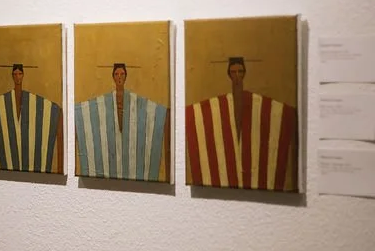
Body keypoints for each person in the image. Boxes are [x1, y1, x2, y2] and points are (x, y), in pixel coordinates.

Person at [186, 57, 297, 191]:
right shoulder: (220, 106)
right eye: (233, 72)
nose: (237, 76)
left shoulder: (257, 104)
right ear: (229, 74)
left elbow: (283, 114)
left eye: (240, 72)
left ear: (244, 73)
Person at [74, 63, 170, 182]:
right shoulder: (105, 101)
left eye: (122, 74)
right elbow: (88, 109)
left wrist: (164, 112)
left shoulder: (134, 100)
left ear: (126, 77)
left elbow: (152, 110)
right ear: (113, 77)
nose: (119, 77)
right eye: (117, 74)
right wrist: (75, 111)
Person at [0, 62, 63, 173]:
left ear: (23, 75)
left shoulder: (37, 103)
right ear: (12, 76)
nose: (17, 77)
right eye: (15, 74)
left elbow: (56, 111)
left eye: (20, 74)